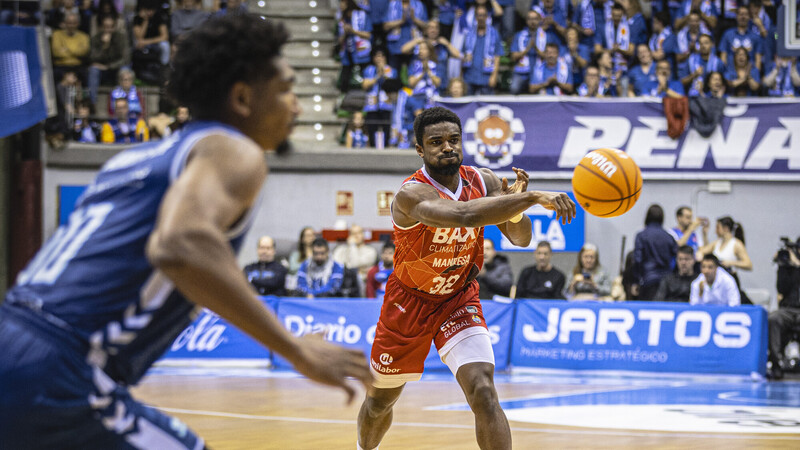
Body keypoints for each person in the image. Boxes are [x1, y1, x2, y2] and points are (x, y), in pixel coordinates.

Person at [0, 15, 371, 449]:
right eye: (286, 88)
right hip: (60, 368)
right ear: (242, 97)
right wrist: (293, 348)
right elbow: (179, 244)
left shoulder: (133, 159)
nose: (298, 106)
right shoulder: (232, 149)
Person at [357, 106, 575, 450]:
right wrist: (531, 198)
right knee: (380, 400)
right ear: (420, 150)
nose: (447, 147)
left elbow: (521, 238)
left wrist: (514, 206)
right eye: (436, 142)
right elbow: (463, 215)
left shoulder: (483, 180)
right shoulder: (411, 194)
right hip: (408, 302)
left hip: (457, 298)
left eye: (454, 140)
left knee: (484, 391)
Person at [767, 239, 800, 380]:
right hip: (788, 309)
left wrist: (798, 266)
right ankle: (776, 363)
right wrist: (785, 267)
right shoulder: (785, 266)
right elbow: (781, 289)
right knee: (774, 318)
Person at [632, 204, 677, 300]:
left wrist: (636, 280)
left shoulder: (641, 236)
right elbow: (676, 257)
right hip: (667, 279)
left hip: (648, 279)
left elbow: (637, 259)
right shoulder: (669, 237)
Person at [87, 14, 129, 105]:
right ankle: (92, 104)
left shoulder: (121, 38)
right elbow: (92, 58)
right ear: (101, 27)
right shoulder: (96, 39)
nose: (108, 30)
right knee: (93, 70)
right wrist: (104, 46)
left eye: (110, 27)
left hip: (116, 67)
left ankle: (125, 104)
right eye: (105, 27)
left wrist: (109, 66)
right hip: (102, 70)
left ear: (115, 27)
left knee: (125, 70)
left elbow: (126, 59)